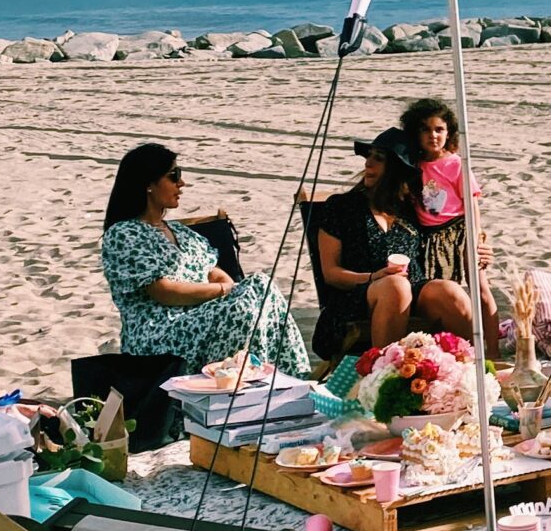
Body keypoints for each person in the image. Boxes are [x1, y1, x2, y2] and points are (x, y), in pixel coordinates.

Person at [101, 144, 309, 375]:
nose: (182, 183)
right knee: (245, 305)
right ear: (148, 184)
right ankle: (261, 381)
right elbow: (163, 291)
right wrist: (226, 292)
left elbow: (214, 271)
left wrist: (234, 291)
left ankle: (283, 377)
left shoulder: (182, 233)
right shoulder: (124, 234)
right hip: (158, 332)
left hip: (197, 319)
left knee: (261, 286)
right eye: (174, 176)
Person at [312, 134, 476, 358]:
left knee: (451, 292)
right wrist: (374, 276)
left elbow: (451, 225)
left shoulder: (412, 210)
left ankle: (467, 372)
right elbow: (331, 274)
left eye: (378, 158)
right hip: (357, 297)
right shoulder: (341, 207)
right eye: (369, 156)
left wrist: (480, 244)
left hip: (413, 290)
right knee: (396, 287)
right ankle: (385, 376)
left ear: (397, 169)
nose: (368, 163)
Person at [397, 95, 497, 337]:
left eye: (439, 129)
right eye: (426, 129)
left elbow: (471, 203)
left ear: (449, 132)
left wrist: (475, 239)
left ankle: (492, 349)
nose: (433, 135)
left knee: (479, 286)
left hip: (459, 229)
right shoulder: (412, 165)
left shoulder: (456, 164)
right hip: (429, 237)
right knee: (441, 290)